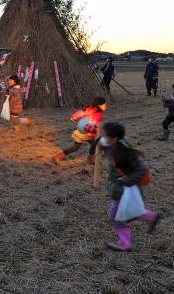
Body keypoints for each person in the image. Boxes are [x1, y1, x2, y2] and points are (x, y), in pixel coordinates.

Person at [100, 122, 159, 252]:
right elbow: (103, 147)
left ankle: (125, 244)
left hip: (124, 189)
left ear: (114, 138)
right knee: (129, 213)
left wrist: (126, 180)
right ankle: (151, 217)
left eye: (104, 135)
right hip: (121, 188)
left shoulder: (124, 151)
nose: (102, 137)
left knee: (115, 215)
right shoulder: (113, 145)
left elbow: (142, 168)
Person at [53, 97, 107, 164]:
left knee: (93, 144)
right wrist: (97, 127)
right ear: (99, 105)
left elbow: (80, 113)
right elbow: (93, 124)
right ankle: (91, 160)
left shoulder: (89, 109)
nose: (105, 106)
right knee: (81, 146)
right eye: (104, 105)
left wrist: (74, 118)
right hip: (86, 133)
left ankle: (96, 157)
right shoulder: (97, 114)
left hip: (83, 130)